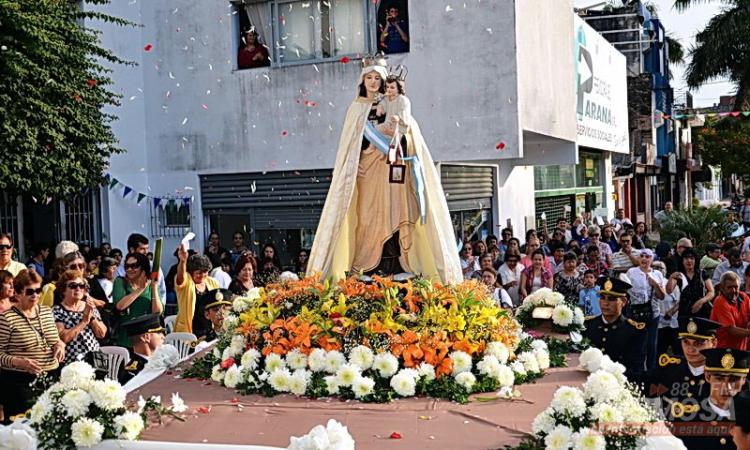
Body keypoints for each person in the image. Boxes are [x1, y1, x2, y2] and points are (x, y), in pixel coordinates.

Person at [306, 53, 461, 283]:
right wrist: (353, 164)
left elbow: (410, 135)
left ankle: (395, 261)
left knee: (397, 211)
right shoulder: (356, 109)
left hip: (390, 171)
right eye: (368, 78)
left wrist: (400, 135)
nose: (373, 83)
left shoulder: (393, 102)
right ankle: (368, 264)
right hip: (367, 172)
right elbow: (350, 145)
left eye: (377, 78)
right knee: (367, 216)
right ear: (362, 80)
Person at [0, 270, 64, 422]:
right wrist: (19, 362)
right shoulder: (7, 318)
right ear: (18, 293)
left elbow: (55, 340)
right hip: (20, 383)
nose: (35, 295)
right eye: (30, 291)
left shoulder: (47, 312)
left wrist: (59, 346)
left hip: (51, 377)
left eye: (38, 290)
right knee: (24, 428)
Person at [674, 348, 749, 449]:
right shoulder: (686, 416)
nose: (726, 387)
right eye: (719, 378)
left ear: (744, 379)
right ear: (707, 376)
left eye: (734, 380)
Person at [643, 317, 719, 403]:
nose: (690, 350)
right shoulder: (671, 368)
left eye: (698, 344)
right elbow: (642, 385)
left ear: (713, 343)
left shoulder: (723, 377)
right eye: (686, 342)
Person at [584, 276, 646, 377]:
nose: (605, 303)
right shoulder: (589, 325)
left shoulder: (634, 331)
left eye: (612, 299)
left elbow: (635, 369)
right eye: (602, 297)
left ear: (624, 302)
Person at [53, 270, 107, 366]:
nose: (78, 289)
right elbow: (63, 337)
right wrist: (84, 322)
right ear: (63, 290)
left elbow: (101, 334)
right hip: (73, 361)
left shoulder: (89, 306)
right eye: (73, 286)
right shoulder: (57, 310)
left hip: (96, 358)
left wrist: (91, 317)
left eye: (81, 286)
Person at [626, 248, 667, 371]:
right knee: (637, 345)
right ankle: (636, 372)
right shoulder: (631, 272)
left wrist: (655, 284)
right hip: (635, 313)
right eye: (642, 256)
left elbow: (662, 296)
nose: (644, 259)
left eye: (647, 257)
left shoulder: (657, 274)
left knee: (651, 345)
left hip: (652, 314)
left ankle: (651, 373)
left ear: (652, 259)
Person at [113, 252, 163, 347]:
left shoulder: (152, 284)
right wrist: (140, 289)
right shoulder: (120, 282)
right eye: (127, 266)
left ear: (143, 267)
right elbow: (120, 306)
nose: (129, 269)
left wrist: (154, 287)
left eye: (134, 266)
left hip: (149, 340)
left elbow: (157, 311)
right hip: (127, 339)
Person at [174, 244, 220, 334]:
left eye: (205, 272)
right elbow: (180, 277)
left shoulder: (213, 283)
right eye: (199, 273)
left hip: (209, 329)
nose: (202, 276)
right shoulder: (187, 281)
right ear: (191, 272)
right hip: (189, 330)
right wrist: (182, 261)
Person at [667, 248, 714, 320]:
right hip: (685, 311)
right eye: (686, 258)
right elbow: (669, 291)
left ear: (695, 260)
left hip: (702, 311)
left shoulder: (702, 273)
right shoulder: (679, 275)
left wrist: (701, 301)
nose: (689, 261)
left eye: (692, 258)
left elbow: (711, 292)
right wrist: (671, 278)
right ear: (682, 261)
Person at [117, 234, 166, 301]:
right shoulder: (120, 270)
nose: (146, 252)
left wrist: (159, 308)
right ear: (132, 249)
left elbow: (161, 290)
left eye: (147, 248)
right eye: (142, 249)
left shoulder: (153, 267)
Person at [118, 313, 165, 384]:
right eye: (158, 333)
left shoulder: (160, 360)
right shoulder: (134, 372)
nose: (163, 337)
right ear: (146, 337)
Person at [711, 272, 750, 351]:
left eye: (736, 287)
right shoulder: (720, 301)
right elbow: (731, 330)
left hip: (741, 350)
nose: (733, 290)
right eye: (729, 287)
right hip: (723, 351)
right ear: (722, 288)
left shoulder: (744, 297)